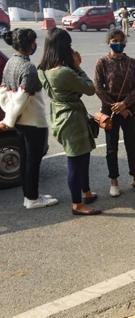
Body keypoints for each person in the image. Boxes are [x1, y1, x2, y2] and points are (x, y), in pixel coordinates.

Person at [38, 28, 101, 216]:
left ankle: (86, 192)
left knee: (83, 157)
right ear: (64, 47)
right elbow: (90, 88)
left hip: (60, 115)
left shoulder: (42, 70)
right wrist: (78, 66)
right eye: (69, 45)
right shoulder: (63, 72)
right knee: (75, 161)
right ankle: (77, 204)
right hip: (71, 119)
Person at [0, 28, 58, 209]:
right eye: (34, 42)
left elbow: (3, 91)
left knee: (25, 160)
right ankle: (32, 198)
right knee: (33, 161)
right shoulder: (28, 68)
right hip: (33, 122)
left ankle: (29, 196)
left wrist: (10, 116)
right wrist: (8, 119)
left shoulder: (11, 63)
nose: (35, 45)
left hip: (19, 122)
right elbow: (22, 97)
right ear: (29, 45)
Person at [94, 29, 135, 198]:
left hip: (129, 107)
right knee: (111, 147)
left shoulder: (133, 63)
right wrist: (115, 107)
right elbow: (98, 87)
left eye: (121, 40)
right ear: (108, 42)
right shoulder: (102, 63)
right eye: (114, 40)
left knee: (131, 145)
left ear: (125, 42)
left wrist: (125, 105)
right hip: (109, 108)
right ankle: (114, 182)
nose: (118, 43)